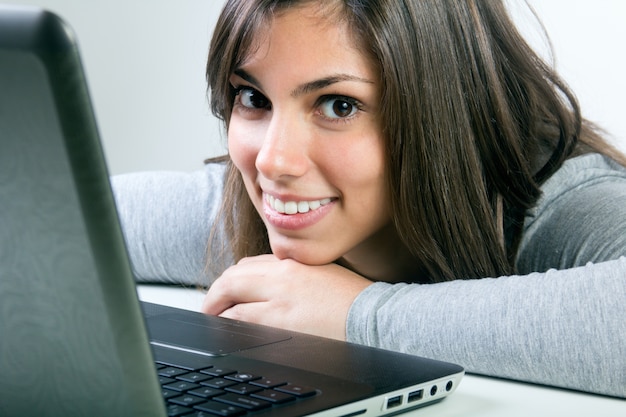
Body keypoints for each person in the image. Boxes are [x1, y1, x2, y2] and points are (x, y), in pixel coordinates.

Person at [112, 0, 626, 398]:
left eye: (338, 105)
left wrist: (358, 316)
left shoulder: (560, 201)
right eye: (253, 98)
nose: (272, 161)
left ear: (443, 114)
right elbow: (49, 217)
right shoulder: (258, 207)